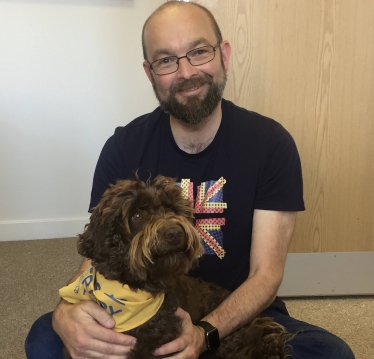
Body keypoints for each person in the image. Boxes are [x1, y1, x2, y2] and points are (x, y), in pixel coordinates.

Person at [25, 2, 355, 359]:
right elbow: (100, 253)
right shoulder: (123, 147)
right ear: (150, 73)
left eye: (198, 52)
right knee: (45, 338)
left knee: (329, 353)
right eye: (166, 60)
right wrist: (65, 313)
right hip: (138, 305)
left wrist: (204, 334)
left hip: (235, 311)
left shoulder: (271, 144)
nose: (185, 72)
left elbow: (265, 275)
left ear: (223, 54)